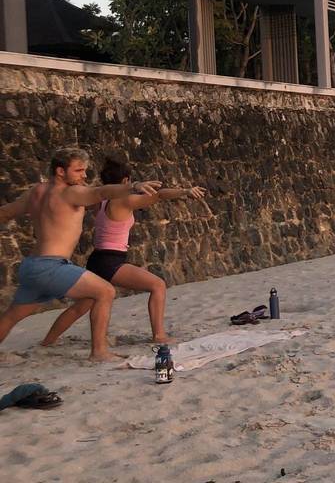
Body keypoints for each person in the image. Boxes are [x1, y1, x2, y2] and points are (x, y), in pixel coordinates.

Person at [0, 148, 161, 362]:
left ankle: (58, 341)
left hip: (32, 266)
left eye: (84, 171)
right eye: (78, 171)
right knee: (105, 292)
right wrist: (131, 186)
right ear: (60, 171)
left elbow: (5, 212)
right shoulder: (70, 192)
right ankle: (99, 352)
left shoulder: (36, 191)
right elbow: (100, 193)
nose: (84, 176)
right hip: (51, 266)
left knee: (12, 315)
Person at [39, 158, 207, 346]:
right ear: (126, 181)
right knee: (157, 285)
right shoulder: (124, 200)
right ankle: (159, 335)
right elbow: (159, 195)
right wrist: (185, 191)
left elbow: (89, 188)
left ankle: (48, 340)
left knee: (83, 305)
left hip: (97, 259)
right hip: (111, 261)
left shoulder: (100, 201)